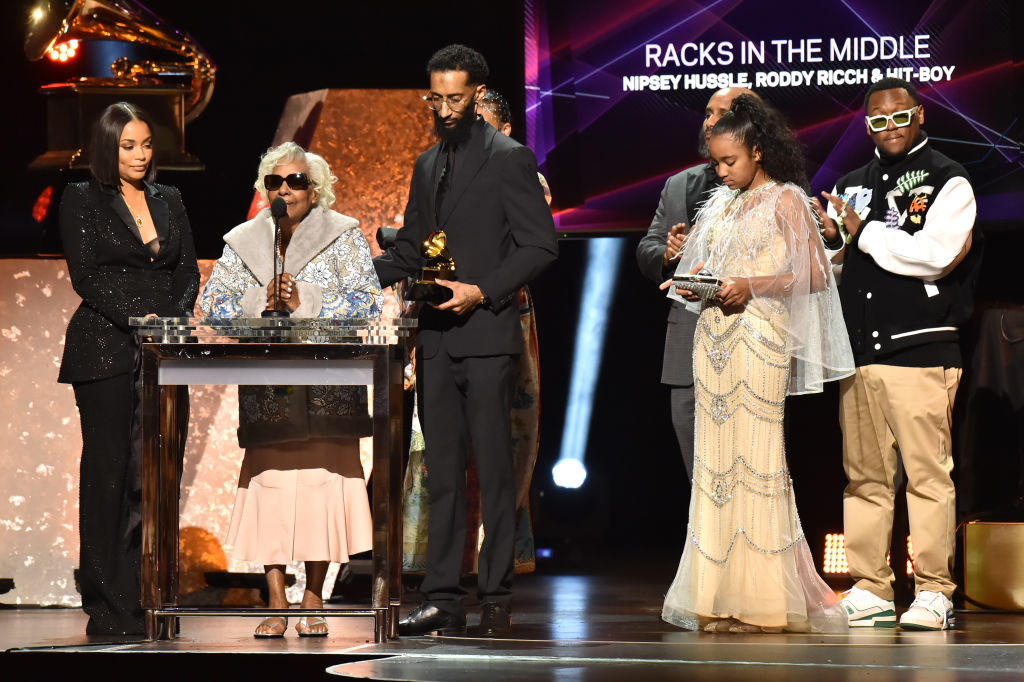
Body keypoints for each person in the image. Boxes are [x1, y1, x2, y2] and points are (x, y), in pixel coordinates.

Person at [375, 44, 558, 637]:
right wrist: (349, 266)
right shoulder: (428, 164)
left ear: (477, 96)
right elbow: (412, 247)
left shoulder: (510, 159)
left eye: (456, 99)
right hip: (435, 337)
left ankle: (496, 595)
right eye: (437, 98)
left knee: (496, 470)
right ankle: (442, 596)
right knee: (444, 473)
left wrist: (483, 290)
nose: (446, 109)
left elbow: (540, 246)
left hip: (485, 334)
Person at [661, 94, 853, 633]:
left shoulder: (787, 200)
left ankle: (762, 600)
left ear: (759, 151)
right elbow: (707, 268)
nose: (722, 172)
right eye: (717, 162)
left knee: (756, 466)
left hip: (760, 341)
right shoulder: (720, 202)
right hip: (713, 341)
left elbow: (813, 276)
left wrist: (752, 285)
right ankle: (716, 597)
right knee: (715, 469)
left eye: (731, 162)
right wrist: (687, 278)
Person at [200, 141, 382, 638]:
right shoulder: (243, 241)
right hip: (270, 381)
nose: (286, 190)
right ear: (265, 189)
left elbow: (367, 303)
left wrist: (309, 299)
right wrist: (260, 298)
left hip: (329, 380)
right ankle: (276, 599)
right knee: (273, 490)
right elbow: (212, 305)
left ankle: (314, 596)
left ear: (315, 188)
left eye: (297, 181)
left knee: (323, 491)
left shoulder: (343, 234)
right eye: (276, 182)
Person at [815, 77, 979, 631]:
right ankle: (871, 586)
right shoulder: (852, 184)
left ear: (920, 115)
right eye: (878, 121)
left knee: (928, 475)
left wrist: (861, 235)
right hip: (860, 351)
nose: (890, 127)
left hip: (921, 348)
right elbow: (845, 268)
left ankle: (934, 589)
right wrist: (833, 242)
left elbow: (935, 256)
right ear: (867, 126)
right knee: (864, 477)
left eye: (899, 116)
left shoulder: (948, 179)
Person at [58, 101, 199, 636]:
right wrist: (136, 320)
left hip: (164, 350)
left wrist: (174, 320)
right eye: (128, 145)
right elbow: (86, 275)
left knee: (159, 475)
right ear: (107, 148)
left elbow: (187, 271)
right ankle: (108, 601)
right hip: (106, 347)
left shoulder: (171, 198)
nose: (140, 155)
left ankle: (152, 595)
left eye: (145, 144)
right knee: (109, 474)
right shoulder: (81, 198)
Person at [636, 87, 756, 481]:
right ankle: (706, 541)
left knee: (748, 464)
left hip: (748, 337)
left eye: (722, 114)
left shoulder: (773, 187)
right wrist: (670, 254)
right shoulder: (679, 185)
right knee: (699, 473)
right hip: (687, 339)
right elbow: (648, 247)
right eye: (707, 113)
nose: (709, 122)